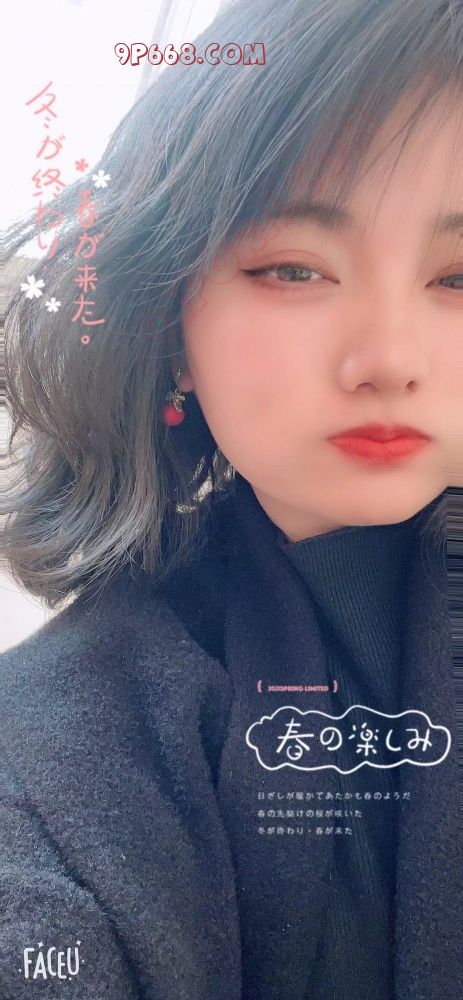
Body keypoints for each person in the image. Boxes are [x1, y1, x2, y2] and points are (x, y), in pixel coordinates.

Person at [1, 1, 462, 998]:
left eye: (459, 277)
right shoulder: (57, 752)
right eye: (294, 268)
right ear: (168, 318)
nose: (387, 358)